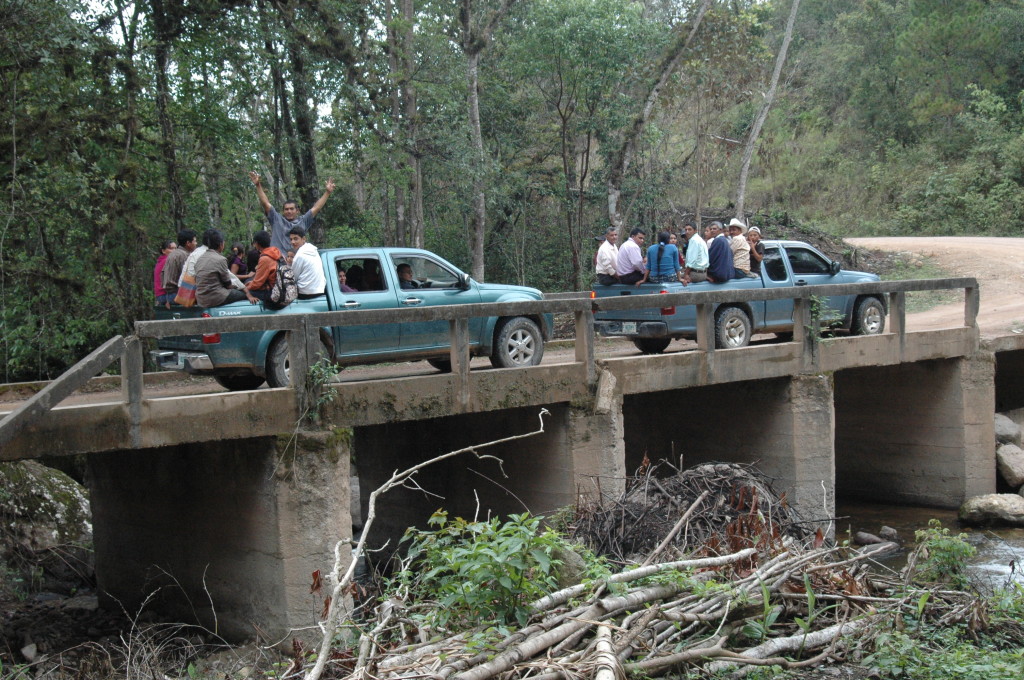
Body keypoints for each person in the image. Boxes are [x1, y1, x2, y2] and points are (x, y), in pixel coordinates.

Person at [249, 171, 336, 254]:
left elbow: (316, 207)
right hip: (278, 262)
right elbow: (265, 203)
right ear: (283, 211)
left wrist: (327, 192)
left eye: (291, 209)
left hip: (296, 262)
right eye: (286, 209)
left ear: (297, 210)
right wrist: (258, 185)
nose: (289, 211)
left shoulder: (303, 221)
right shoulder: (277, 220)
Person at [195, 229, 258, 307]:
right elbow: (228, 284)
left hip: (201, 299)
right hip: (215, 297)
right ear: (221, 244)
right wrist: (246, 292)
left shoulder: (200, 258)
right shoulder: (220, 259)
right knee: (245, 294)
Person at [288, 226, 326, 299]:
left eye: (296, 239)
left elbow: (293, 277)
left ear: (304, 239)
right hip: (320, 290)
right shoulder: (314, 250)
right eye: (291, 239)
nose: (292, 242)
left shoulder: (299, 255)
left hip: (305, 293)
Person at [161, 229, 197, 302]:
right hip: (178, 294)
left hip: (169, 294)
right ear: (188, 243)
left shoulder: (172, 254)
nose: (196, 243)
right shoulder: (184, 256)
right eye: (194, 241)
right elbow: (188, 277)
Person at [246, 230, 282, 302]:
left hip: (272, 291)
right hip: (280, 287)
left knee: (244, 292)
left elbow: (257, 283)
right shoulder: (277, 253)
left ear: (257, 244)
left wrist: (246, 287)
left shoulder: (265, 259)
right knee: (249, 282)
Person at [154, 239, 177, 307]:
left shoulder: (161, 260)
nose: (174, 251)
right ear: (163, 251)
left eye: (175, 248)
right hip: (166, 296)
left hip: (162, 296)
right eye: (171, 248)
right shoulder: (167, 261)